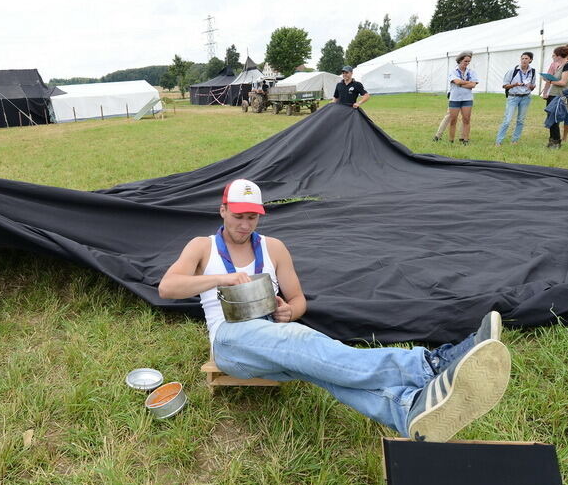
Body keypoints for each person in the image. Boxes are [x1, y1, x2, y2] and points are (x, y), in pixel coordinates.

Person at [158, 178, 512, 442]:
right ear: (222, 211)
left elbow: (298, 301)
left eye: (253, 217)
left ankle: (408, 410)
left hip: (275, 333)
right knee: (302, 343)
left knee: (317, 364)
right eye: (238, 216)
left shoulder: (274, 248)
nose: (245, 224)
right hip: (232, 342)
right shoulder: (202, 247)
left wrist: (288, 312)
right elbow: (168, 287)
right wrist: (221, 280)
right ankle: (428, 364)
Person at [495, 52, 537, 145]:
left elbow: (533, 85)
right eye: (522, 58)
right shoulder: (513, 71)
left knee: (521, 120)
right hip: (513, 97)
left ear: (530, 60)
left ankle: (515, 140)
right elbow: (505, 86)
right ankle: (498, 141)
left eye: (526, 59)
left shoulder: (532, 71)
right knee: (507, 120)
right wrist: (515, 84)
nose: (524, 60)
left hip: (525, 97)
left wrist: (532, 86)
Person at [543, 46, 568, 149]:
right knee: (551, 119)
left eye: (554, 55)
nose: (554, 57)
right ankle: (552, 141)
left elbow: (563, 82)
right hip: (553, 95)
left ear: (559, 56)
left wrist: (549, 81)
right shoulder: (559, 66)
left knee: (555, 120)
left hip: (559, 96)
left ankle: (556, 143)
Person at [446, 51, 478, 145]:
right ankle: (451, 140)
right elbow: (456, 81)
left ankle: (465, 139)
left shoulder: (471, 72)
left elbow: (473, 85)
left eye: (469, 62)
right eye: (465, 61)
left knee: (466, 119)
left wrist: (461, 83)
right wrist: (467, 83)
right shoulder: (453, 71)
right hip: (455, 98)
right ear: (460, 60)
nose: (467, 63)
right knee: (453, 120)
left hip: (467, 98)